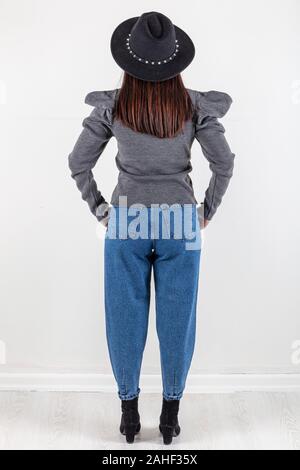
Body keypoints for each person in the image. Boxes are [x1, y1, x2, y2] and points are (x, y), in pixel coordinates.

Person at [68, 11, 235, 445]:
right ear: (176, 62)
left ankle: (127, 415)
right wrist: (207, 210)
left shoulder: (113, 106)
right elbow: (225, 163)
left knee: (124, 317)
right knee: (178, 320)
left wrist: (102, 209)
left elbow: (77, 162)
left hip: (126, 222)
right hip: (181, 220)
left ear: (129, 61)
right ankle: (170, 417)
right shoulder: (195, 105)